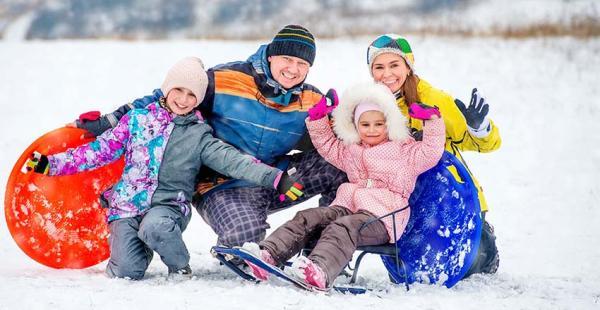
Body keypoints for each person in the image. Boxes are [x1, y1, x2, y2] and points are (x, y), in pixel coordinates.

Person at [72, 25, 348, 249]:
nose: (293, 68)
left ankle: (320, 251)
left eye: (302, 63)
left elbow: (336, 140)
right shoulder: (224, 80)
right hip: (221, 186)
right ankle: (240, 246)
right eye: (287, 59)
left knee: (341, 163)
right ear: (271, 56)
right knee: (245, 237)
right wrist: (110, 121)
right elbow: (166, 98)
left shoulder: (311, 99)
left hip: (278, 180)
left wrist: (348, 124)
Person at [23, 57, 297, 280]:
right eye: (179, 90)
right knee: (125, 272)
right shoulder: (136, 121)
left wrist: (275, 178)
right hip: (127, 207)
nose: (184, 99)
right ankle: (139, 248)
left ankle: (180, 267)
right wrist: (50, 164)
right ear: (167, 88)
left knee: (156, 226)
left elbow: (234, 160)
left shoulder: (199, 135)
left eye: (192, 95)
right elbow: (98, 153)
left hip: (168, 206)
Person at [242, 82, 446, 289]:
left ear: (390, 123)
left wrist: (432, 121)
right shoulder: (352, 150)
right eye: (365, 125)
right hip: (346, 208)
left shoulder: (405, 151)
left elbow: (431, 151)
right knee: (309, 217)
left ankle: (319, 270)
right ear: (355, 126)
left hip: (382, 217)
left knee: (343, 227)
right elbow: (327, 145)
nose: (372, 130)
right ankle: (269, 254)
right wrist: (318, 119)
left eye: (379, 124)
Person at [366, 34, 501, 275]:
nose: (387, 74)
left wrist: (478, 127)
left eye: (394, 65)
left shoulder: (433, 99)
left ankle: (483, 239)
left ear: (408, 66)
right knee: (415, 274)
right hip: (407, 202)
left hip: (455, 198)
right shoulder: (373, 107)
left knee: (469, 267)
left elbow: (484, 145)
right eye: (379, 67)